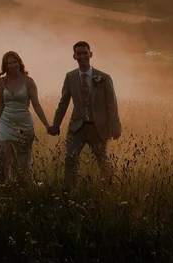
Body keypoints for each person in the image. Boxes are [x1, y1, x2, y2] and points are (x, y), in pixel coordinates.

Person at [49, 41, 121, 184]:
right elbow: (64, 102)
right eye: (79, 54)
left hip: (97, 126)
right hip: (77, 127)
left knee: (102, 158)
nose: (82, 56)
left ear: (90, 54)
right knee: (70, 158)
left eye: (85, 53)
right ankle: (70, 190)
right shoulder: (70, 77)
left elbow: (111, 104)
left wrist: (115, 127)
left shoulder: (104, 77)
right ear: (74, 56)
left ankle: (110, 186)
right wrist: (56, 124)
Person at [0, 51, 52, 183]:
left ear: (19, 63)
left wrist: (47, 125)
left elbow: (36, 105)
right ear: (6, 66)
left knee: (23, 161)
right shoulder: (2, 82)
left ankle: (23, 183)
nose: (13, 65)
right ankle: (7, 182)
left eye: (15, 62)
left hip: (24, 124)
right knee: (3, 153)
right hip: (5, 122)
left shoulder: (28, 81)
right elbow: (0, 104)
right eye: (10, 63)